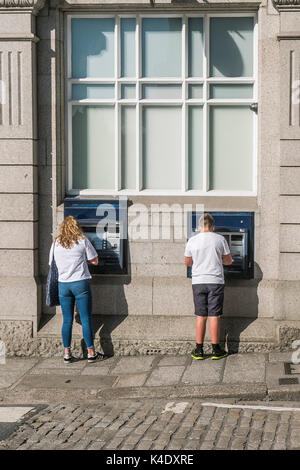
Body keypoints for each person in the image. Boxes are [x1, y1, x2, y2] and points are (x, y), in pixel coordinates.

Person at [48, 215, 102, 364]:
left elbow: (51, 264)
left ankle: (67, 353)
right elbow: (95, 261)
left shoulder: (56, 243)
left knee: (67, 320)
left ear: (62, 228)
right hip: (80, 283)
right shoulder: (82, 240)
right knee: (85, 319)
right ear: (76, 227)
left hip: (63, 285)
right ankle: (91, 352)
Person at [184, 213, 233, 360]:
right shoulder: (220, 239)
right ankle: (216, 349)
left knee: (201, 315)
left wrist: (198, 262)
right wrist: (219, 260)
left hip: (198, 282)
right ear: (212, 227)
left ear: (199, 227)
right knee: (214, 315)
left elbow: (187, 262)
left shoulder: (192, 241)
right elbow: (229, 261)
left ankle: (198, 350)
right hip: (215, 281)